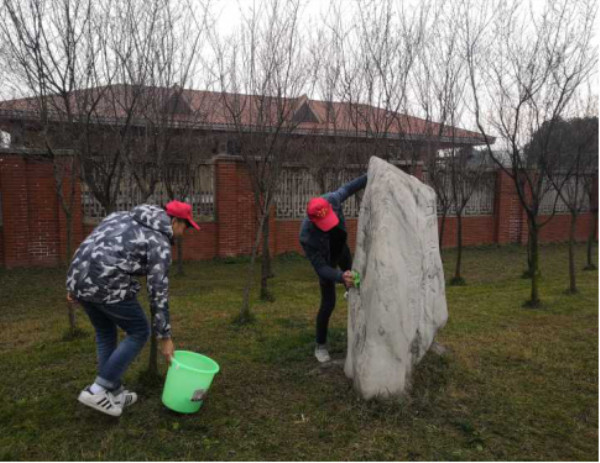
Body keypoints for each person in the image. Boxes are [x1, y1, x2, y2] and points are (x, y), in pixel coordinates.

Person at [66, 200, 200, 417]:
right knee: (139, 331)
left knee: (105, 331)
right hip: (107, 284)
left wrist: (74, 285)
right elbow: (158, 292)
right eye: (185, 227)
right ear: (174, 221)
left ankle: (113, 390)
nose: (183, 234)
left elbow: (90, 244)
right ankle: (97, 390)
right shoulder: (159, 242)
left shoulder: (120, 216)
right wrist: (165, 337)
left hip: (81, 279)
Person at [299, 174, 367, 363]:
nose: (328, 226)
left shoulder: (333, 199)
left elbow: (351, 186)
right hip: (326, 262)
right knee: (328, 303)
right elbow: (320, 268)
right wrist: (339, 276)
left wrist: (372, 174)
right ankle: (320, 346)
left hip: (341, 249)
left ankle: (361, 328)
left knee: (356, 283)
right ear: (313, 221)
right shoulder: (307, 237)